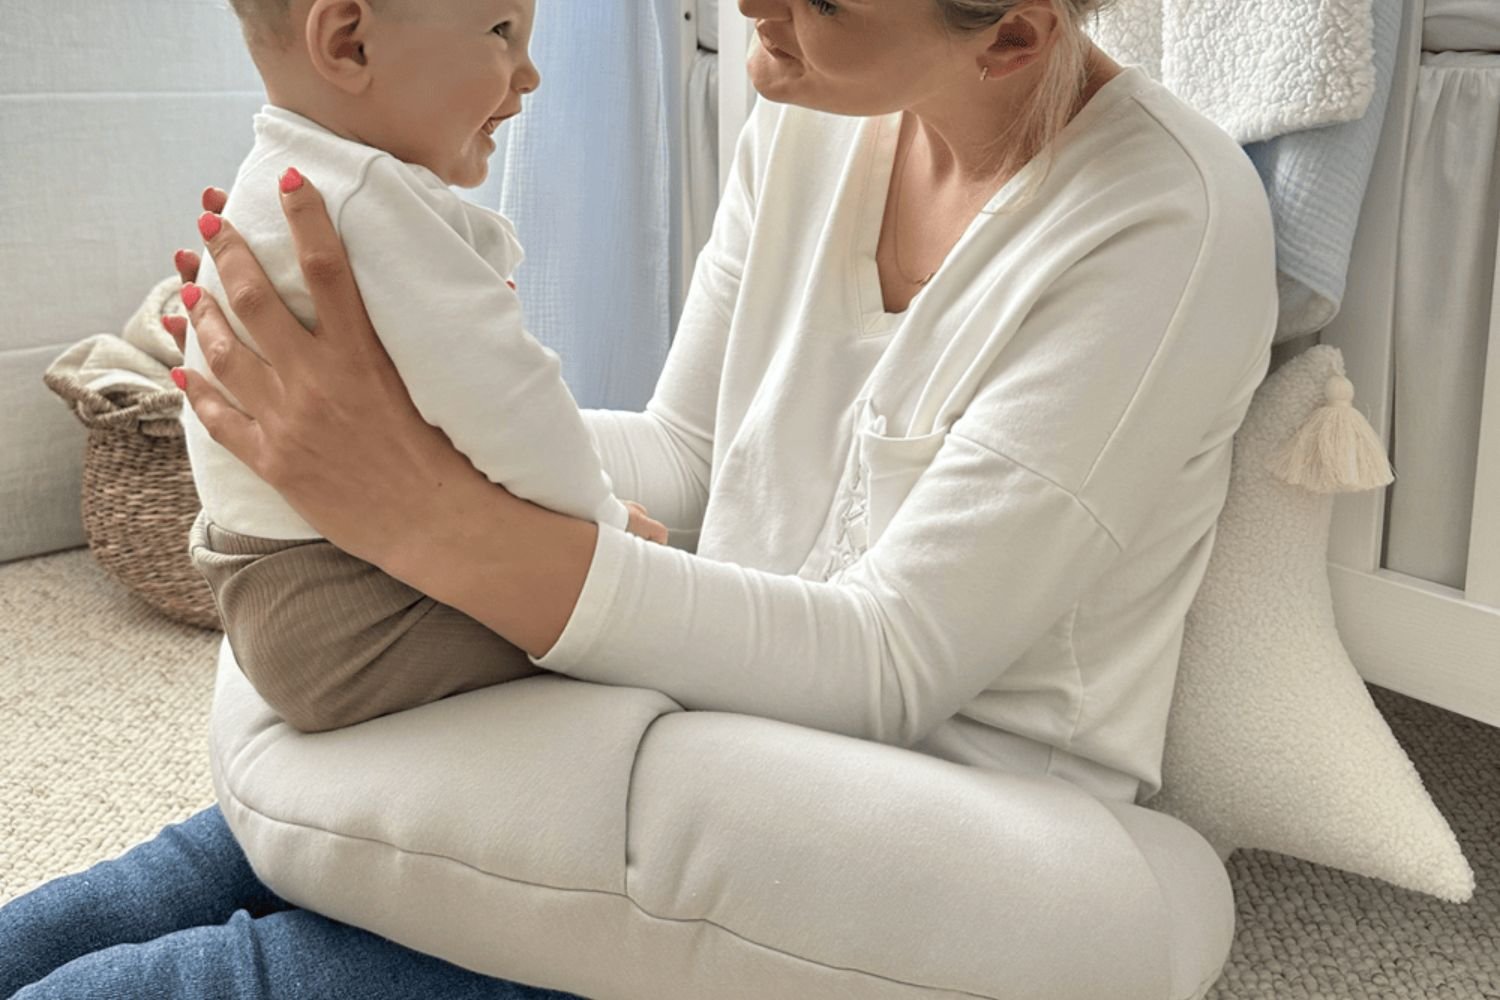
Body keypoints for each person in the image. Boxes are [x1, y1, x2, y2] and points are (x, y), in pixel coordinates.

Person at [0, 0, 1278, 995]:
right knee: (210, 861)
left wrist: (424, 513)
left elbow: (896, 661)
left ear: (1009, 35)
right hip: (701, 689)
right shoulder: (814, 105)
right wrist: (355, 434)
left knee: (288, 968)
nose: (751, 10)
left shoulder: (1163, 220)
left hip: (918, 790)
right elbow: (688, 452)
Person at [178, 0, 670, 737]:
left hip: (274, 588)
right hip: (353, 607)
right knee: (652, 641)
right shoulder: (364, 197)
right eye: (502, 33)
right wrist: (605, 535)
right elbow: (512, 406)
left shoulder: (285, 175)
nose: (530, 74)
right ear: (350, 45)